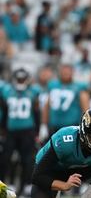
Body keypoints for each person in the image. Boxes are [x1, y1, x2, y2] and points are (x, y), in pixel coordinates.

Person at [31, 109, 91, 198]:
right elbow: (37, 177)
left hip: (80, 170)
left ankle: (90, 194)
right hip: (54, 170)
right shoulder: (65, 141)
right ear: (83, 133)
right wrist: (64, 185)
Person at [0, 68, 40, 196]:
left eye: (23, 79)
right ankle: (8, 184)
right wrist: (3, 130)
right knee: (7, 158)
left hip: (27, 131)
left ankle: (27, 184)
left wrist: (38, 130)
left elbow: (36, 112)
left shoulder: (33, 92)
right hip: (11, 131)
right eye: (19, 79)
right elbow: (5, 112)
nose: (21, 81)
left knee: (27, 159)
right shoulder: (7, 91)